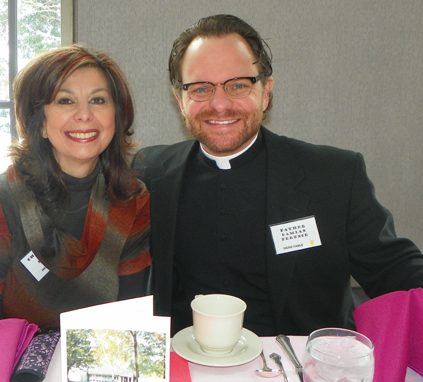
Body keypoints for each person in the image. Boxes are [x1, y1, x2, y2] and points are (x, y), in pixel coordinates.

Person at [133, 14, 423, 336]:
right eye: (201, 88)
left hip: (299, 365)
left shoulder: (335, 177)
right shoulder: (147, 173)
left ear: (266, 91)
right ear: (180, 99)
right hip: (182, 364)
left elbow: (395, 270)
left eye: (238, 85)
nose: (219, 104)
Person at [0, 44, 151, 331]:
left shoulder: (132, 200)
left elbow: (129, 323)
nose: (84, 114)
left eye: (98, 100)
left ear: (116, 118)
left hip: (95, 367)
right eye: (65, 101)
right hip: (6, 365)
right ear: (41, 123)